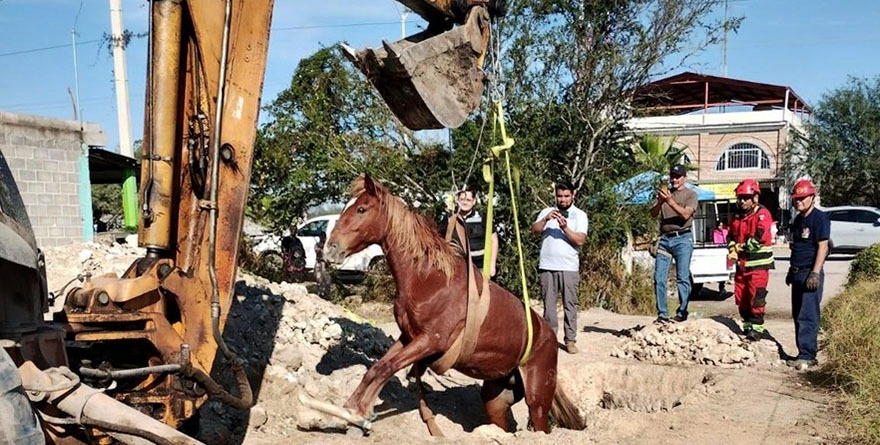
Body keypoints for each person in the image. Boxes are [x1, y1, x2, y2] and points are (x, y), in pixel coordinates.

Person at [531, 180, 588, 354]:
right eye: (559, 196)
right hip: (547, 265)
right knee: (549, 306)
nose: (563, 199)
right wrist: (545, 219)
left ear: (573, 195)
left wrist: (565, 228)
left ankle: (570, 340)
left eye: (566, 196)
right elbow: (534, 231)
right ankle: (550, 339)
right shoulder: (546, 212)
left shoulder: (580, 215)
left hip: (569, 266)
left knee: (570, 304)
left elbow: (580, 240)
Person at [786, 179, 829, 370]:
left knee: (807, 315)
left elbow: (823, 246)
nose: (799, 202)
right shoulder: (798, 220)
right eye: (796, 198)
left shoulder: (819, 218)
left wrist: (815, 273)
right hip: (797, 272)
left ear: (812, 197)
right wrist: (791, 270)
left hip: (809, 272)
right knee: (797, 314)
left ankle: (808, 355)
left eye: (803, 198)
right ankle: (802, 352)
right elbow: (797, 247)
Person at [727, 179, 775, 341]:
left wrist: (740, 248)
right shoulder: (736, 215)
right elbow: (730, 235)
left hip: (758, 265)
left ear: (755, 198)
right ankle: (747, 326)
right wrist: (732, 247)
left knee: (756, 297)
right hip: (742, 266)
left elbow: (760, 237)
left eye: (746, 198)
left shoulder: (762, 214)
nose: (742, 201)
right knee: (742, 298)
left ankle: (757, 329)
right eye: (740, 198)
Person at [650, 164, 698, 324]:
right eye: (672, 176)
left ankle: (682, 312)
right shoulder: (664, 194)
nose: (674, 179)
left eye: (678, 176)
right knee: (659, 277)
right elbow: (652, 214)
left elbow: (685, 215)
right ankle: (662, 314)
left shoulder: (691, 195)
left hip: (683, 238)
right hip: (665, 239)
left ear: (684, 178)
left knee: (682, 277)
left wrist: (670, 201)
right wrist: (659, 202)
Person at [439, 190, 499, 278]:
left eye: (468, 200)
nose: (465, 202)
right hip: (458, 266)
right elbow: (440, 239)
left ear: (474, 201)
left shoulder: (482, 217)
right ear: (457, 200)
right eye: (462, 199)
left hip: (481, 266)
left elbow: (493, 240)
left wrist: (492, 265)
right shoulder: (449, 218)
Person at [712, 220, 730, 294]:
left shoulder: (725, 231)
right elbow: (716, 242)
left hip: (726, 251)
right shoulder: (715, 232)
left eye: (722, 225)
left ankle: (722, 286)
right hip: (719, 252)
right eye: (719, 225)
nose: (721, 227)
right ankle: (721, 287)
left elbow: (727, 240)